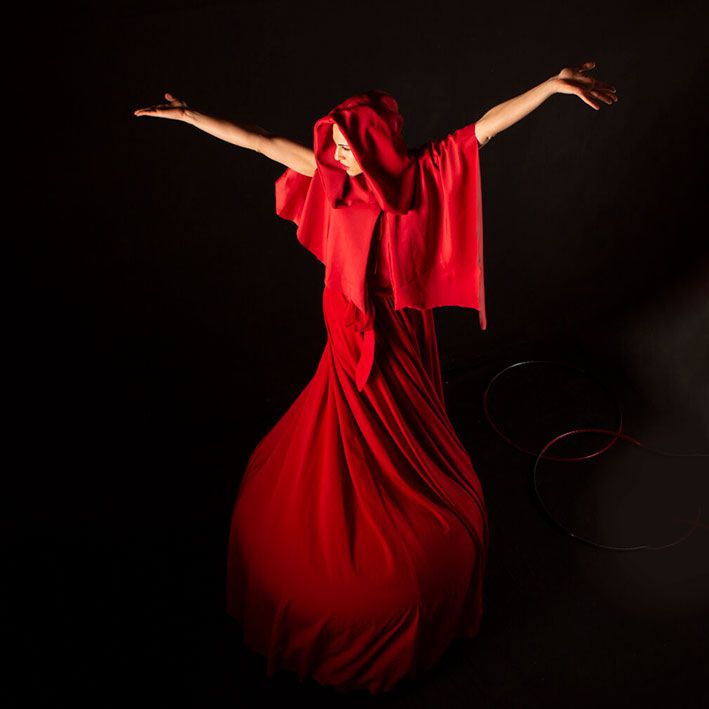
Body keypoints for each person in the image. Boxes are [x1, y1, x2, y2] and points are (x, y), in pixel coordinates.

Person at [134, 64, 618, 694]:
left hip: (398, 329)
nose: (337, 154)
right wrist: (193, 116)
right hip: (346, 327)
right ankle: (352, 503)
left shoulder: (424, 173)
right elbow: (261, 141)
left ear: (374, 143)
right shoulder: (329, 178)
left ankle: (405, 500)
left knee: (402, 417)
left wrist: (550, 87)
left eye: (347, 145)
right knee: (348, 419)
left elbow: (486, 127)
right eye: (333, 144)